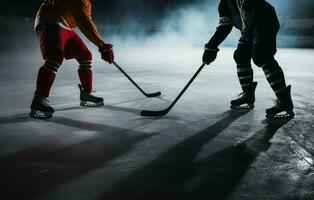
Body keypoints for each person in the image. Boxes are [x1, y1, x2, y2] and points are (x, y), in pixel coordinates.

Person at [202, 0, 294, 119]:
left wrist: (245, 32)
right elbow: (224, 27)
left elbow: (249, 12)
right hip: (249, 28)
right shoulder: (224, 4)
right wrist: (211, 47)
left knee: (261, 55)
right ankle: (248, 94)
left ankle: (284, 100)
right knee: (240, 56)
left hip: (265, 21)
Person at [30, 0, 114, 119]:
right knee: (55, 57)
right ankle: (39, 99)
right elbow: (83, 21)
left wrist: (102, 45)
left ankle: (86, 93)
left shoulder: (86, 2)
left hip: (64, 24)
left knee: (85, 55)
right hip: (50, 19)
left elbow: (85, 20)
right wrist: (102, 45)